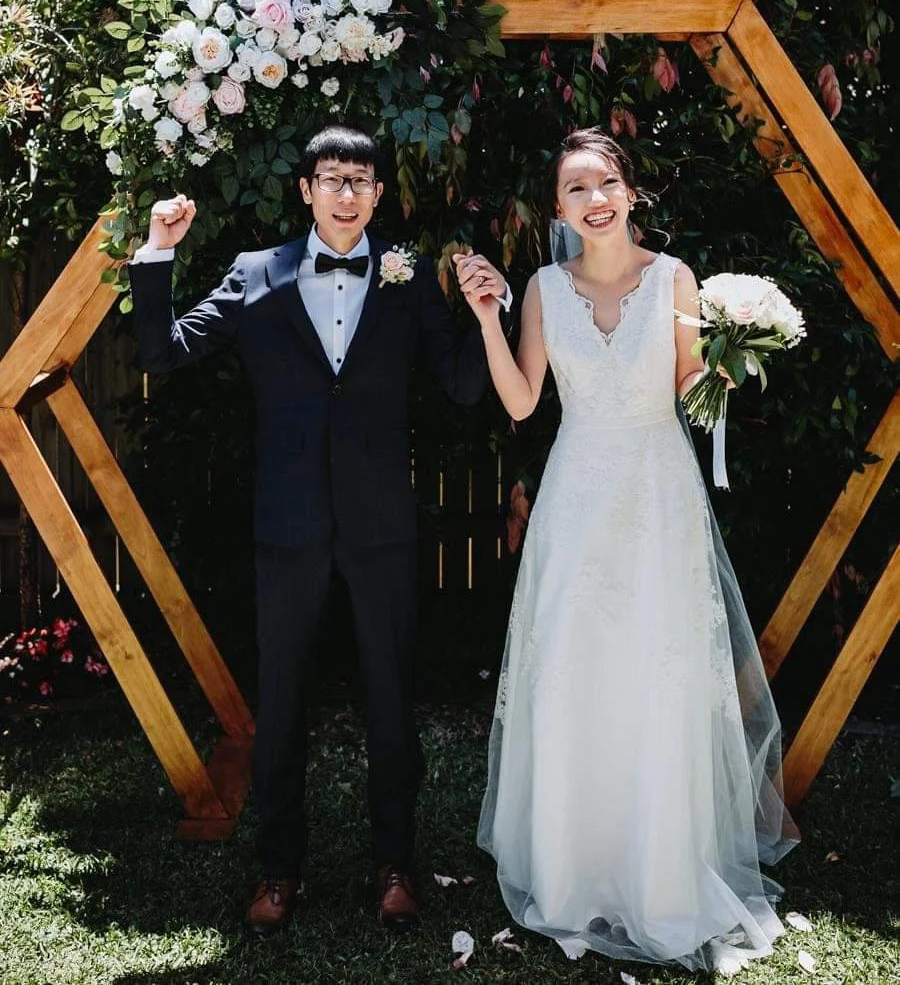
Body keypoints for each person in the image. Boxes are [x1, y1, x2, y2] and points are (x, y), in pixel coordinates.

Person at [128, 124, 509, 939]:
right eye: (332, 178)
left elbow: (468, 391)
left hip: (382, 527)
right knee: (283, 699)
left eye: (361, 181)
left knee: (391, 700)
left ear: (378, 194)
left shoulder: (408, 279)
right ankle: (277, 868)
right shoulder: (252, 274)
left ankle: (395, 863)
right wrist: (159, 249)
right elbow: (160, 351)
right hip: (288, 523)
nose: (346, 193)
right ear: (305, 189)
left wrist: (485, 315)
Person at [460, 127, 798, 975]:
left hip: (657, 496)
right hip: (576, 498)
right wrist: (487, 320)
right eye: (576, 189)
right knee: (577, 668)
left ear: (631, 191)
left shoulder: (676, 279)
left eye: (605, 182)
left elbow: (688, 389)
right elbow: (523, 400)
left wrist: (727, 357)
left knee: (658, 671)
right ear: (558, 208)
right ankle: (576, 867)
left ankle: (662, 871)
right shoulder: (541, 286)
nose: (594, 199)